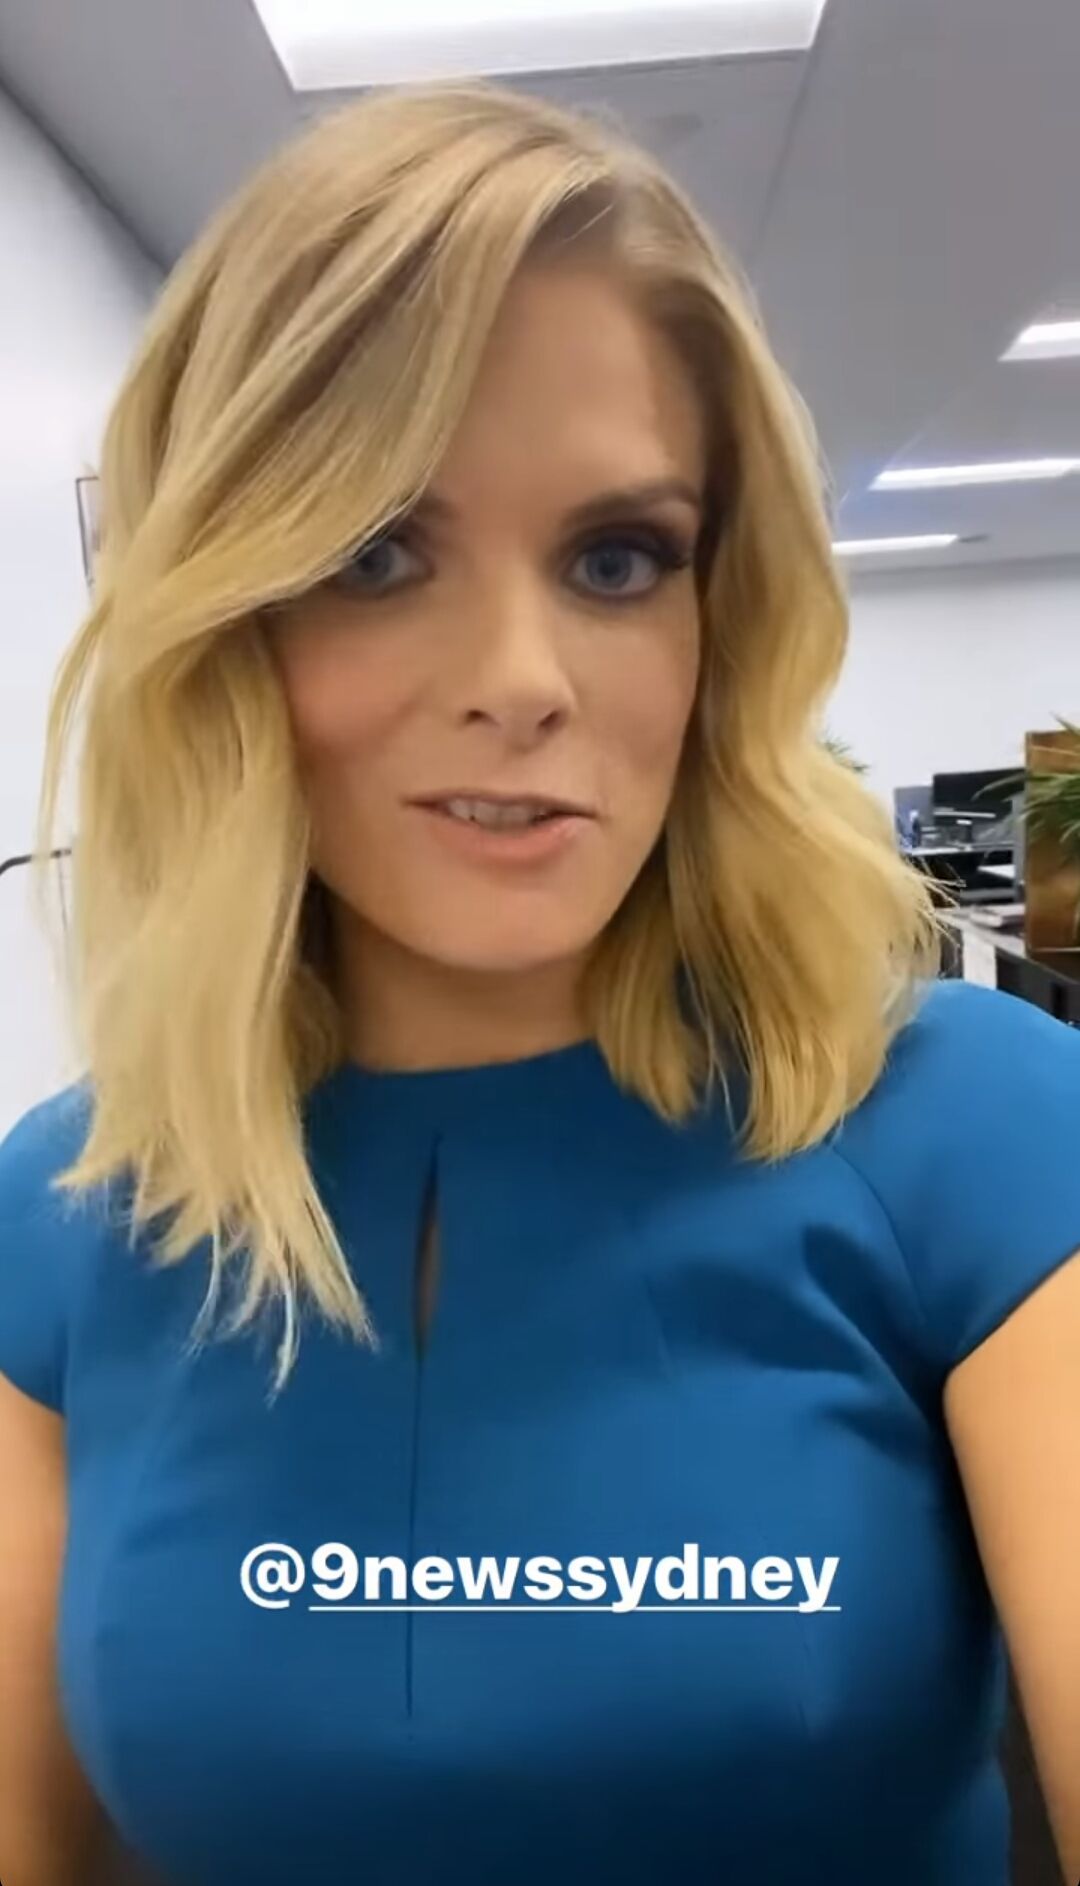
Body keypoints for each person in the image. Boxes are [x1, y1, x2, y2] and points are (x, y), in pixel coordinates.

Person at [0, 80, 1077, 1886]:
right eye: (377, 553)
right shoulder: (65, 1211)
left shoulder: (979, 1133)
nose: (525, 676)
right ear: (225, 618)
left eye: (616, 559)